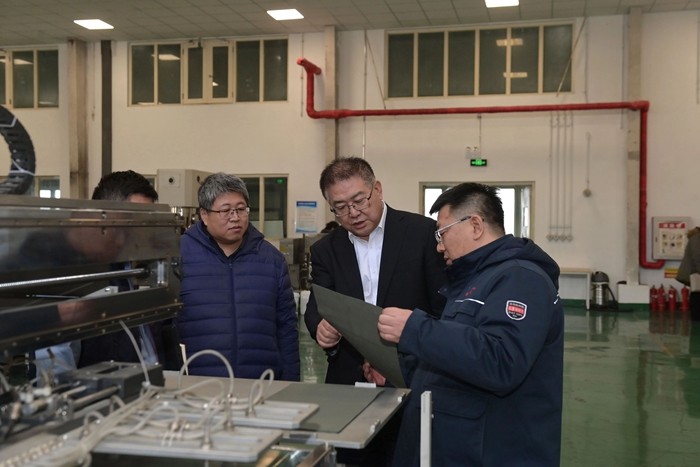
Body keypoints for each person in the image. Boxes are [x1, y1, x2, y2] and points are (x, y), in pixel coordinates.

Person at [378, 183, 564, 467]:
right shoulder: (473, 282)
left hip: (494, 452)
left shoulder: (521, 279)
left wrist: (415, 329)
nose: (439, 246)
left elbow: (501, 362)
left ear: (475, 225)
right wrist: (396, 368)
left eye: (442, 233)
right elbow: (454, 359)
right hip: (459, 447)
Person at [303, 157, 446, 467]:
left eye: (359, 200)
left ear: (377, 189)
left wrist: (395, 361)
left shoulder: (421, 233)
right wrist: (320, 327)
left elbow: (441, 308)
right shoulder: (326, 249)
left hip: (413, 379)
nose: (353, 213)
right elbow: (317, 305)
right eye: (341, 207)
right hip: (350, 385)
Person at [177, 173, 299, 381]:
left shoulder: (271, 260)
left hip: (261, 385)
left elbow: (287, 329)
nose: (235, 218)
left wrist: (291, 385)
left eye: (241, 209)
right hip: (196, 384)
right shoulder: (179, 257)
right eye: (225, 211)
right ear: (204, 214)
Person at [77, 170, 180, 369]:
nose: (145, 227)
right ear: (105, 215)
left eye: (149, 218)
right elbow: (59, 354)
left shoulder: (143, 265)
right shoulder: (80, 272)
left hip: (151, 381)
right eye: (137, 217)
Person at [677, 226, 700, 320]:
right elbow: (697, 257)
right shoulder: (697, 238)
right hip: (695, 272)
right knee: (697, 294)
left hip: (695, 271)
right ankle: (696, 318)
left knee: (696, 293)